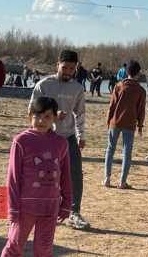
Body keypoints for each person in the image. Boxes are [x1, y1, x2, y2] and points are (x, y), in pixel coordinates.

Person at [0, 97, 72, 257]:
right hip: (24, 207)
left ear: (55, 117)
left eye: (47, 116)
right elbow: (13, 178)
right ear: (29, 115)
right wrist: (12, 208)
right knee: (14, 247)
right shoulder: (21, 141)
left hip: (50, 207)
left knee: (44, 250)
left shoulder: (61, 143)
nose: (41, 120)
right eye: (37, 115)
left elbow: (66, 176)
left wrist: (66, 203)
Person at [29, 50, 88, 230]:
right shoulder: (43, 85)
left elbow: (80, 114)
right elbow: (31, 112)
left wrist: (81, 136)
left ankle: (74, 212)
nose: (68, 71)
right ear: (58, 65)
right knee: (43, 174)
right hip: (45, 137)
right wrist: (52, 117)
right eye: (65, 67)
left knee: (75, 174)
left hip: (68, 137)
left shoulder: (77, 88)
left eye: (72, 68)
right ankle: (39, 208)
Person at [105, 60, 146, 189]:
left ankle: (107, 179)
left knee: (110, 149)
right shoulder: (140, 90)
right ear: (138, 73)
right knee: (127, 152)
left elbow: (112, 106)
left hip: (115, 122)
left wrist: (108, 121)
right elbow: (141, 110)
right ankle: (122, 182)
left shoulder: (118, 86)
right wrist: (140, 125)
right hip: (130, 123)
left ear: (126, 72)